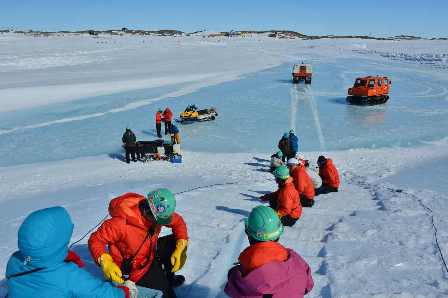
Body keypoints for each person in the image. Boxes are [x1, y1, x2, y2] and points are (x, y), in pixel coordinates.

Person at [5, 206, 141, 298]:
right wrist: (126, 291)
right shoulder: (68, 276)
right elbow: (104, 294)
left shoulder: (15, 260)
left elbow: (38, 260)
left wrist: (61, 255)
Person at [88, 189, 188, 298]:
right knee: (166, 296)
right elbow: (95, 240)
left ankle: (168, 278)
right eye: (158, 220)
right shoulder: (120, 224)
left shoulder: (158, 213)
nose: (160, 223)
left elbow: (178, 222)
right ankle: (160, 285)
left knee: (174, 241)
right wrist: (104, 260)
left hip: (148, 254)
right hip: (134, 270)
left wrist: (181, 245)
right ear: (149, 211)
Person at [224, 205, 314, 298]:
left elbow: (233, 290)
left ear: (248, 233)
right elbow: (308, 285)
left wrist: (235, 272)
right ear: (278, 234)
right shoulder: (296, 260)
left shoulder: (245, 272)